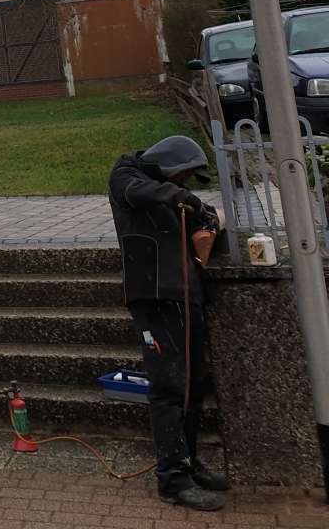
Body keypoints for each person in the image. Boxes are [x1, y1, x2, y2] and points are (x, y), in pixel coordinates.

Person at [108, 135, 231, 511]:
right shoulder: (127, 174)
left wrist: (209, 218)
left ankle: (189, 464)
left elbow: (202, 220)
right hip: (155, 297)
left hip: (187, 297)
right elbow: (143, 192)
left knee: (192, 386)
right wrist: (187, 199)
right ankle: (172, 479)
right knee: (169, 387)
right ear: (171, 165)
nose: (185, 185)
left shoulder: (172, 195)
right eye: (185, 176)